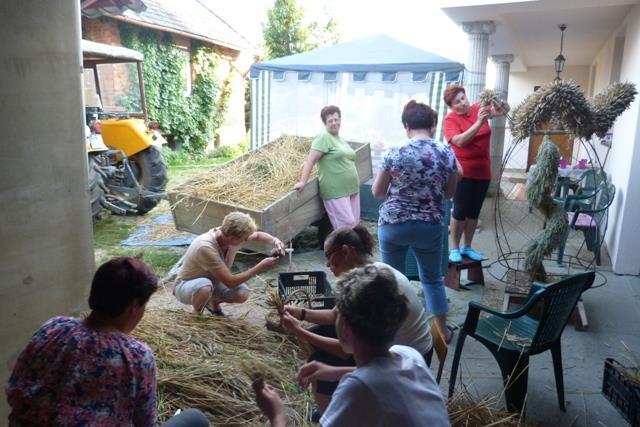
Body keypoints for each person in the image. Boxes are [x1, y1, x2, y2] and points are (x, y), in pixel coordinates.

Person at [5, 257, 208, 427]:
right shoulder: (136, 355)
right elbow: (144, 423)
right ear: (134, 306)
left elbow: (14, 387)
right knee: (195, 419)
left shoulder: (53, 328)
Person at [254, 265, 450, 427]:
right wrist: (334, 371)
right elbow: (379, 374)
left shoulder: (357, 389)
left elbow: (368, 380)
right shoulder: (409, 356)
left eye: (337, 315)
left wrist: (277, 414)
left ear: (346, 330)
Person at [279, 225, 433, 414]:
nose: (327, 264)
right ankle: (328, 398)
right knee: (316, 335)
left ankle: (329, 411)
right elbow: (336, 315)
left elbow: (345, 351)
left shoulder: (372, 287)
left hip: (407, 358)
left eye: (328, 255)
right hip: (403, 351)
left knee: (320, 355)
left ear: (345, 251)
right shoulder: (371, 272)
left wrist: (298, 331)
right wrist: (300, 313)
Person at [372, 100, 460, 343]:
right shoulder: (445, 152)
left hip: (393, 224)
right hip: (429, 224)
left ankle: (395, 333)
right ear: (432, 124)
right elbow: (450, 193)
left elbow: (378, 192)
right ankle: (442, 332)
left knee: (393, 280)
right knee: (432, 279)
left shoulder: (394, 151)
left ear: (406, 125)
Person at [443, 84, 509, 263]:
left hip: (483, 171)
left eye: (463, 98)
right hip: (463, 173)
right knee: (459, 211)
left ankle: (467, 246)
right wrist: (479, 122)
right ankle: (454, 248)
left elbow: (502, 110)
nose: (463, 103)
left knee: (474, 213)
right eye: (457, 102)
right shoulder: (450, 120)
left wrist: (500, 104)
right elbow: (459, 141)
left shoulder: (477, 108)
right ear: (451, 106)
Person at [174, 211, 285, 315]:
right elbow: (230, 282)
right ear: (232, 238)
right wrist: (260, 266)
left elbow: (258, 235)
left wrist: (275, 240)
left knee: (242, 293)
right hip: (186, 285)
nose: (246, 240)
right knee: (204, 286)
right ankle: (197, 315)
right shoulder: (206, 247)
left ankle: (213, 302)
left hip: (214, 282)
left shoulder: (230, 236)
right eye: (244, 239)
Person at [293, 105, 360, 229]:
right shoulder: (323, 138)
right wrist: (303, 182)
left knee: (354, 226)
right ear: (325, 123)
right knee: (346, 226)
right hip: (335, 190)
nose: (334, 123)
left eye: (336, 119)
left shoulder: (340, 139)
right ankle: (336, 248)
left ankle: (350, 249)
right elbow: (310, 161)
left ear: (340, 120)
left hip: (351, 189)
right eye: (330, 121)